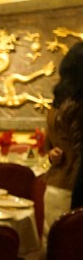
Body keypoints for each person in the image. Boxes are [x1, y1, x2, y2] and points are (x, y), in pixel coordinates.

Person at [43, 41, 83, 237]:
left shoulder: (57, 102)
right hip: (74, 187)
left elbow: (50, 144)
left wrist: (52, 153)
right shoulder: (77, 105)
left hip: (56, 184)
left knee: (52, 243)